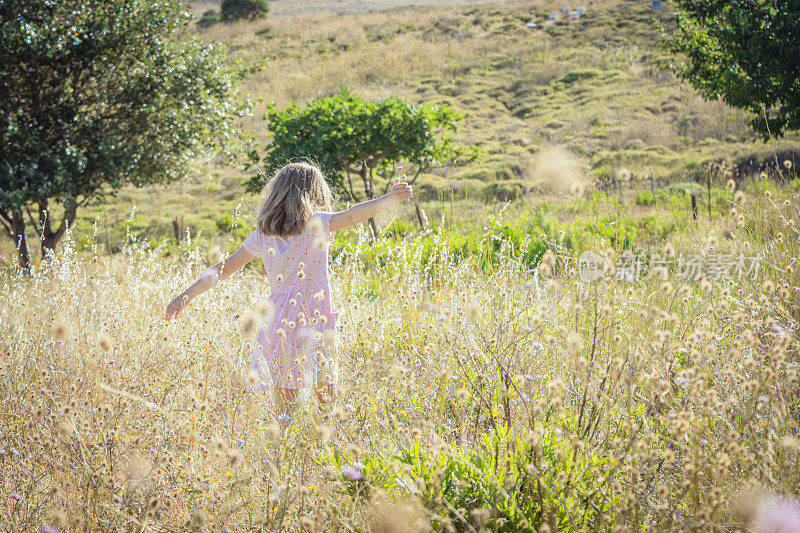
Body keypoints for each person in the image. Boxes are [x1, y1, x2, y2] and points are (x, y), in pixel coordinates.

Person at [165, 162, 413, 418]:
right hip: (313, 316)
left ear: (277, 195)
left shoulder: (263, 234)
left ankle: (282, 451)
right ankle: (320, 451)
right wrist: (389, 198)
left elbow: (223, 269)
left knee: (284, 408)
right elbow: (352, 215)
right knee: (324, 401)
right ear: (316, 193)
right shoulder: (317, 223)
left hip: (278, 322)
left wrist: (186, 296)